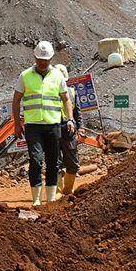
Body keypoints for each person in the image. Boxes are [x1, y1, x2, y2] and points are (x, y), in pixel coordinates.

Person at [12, 41, 75, 206]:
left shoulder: (58, 76)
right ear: (34, 57)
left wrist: (70, 119)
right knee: (36, 160)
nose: (42, 62)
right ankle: (37, 200)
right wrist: (17, 123)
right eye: (39, 58)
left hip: (53, 125)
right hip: (33, 126)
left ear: (51, 58)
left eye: (45, 59)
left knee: (53, 161)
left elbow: (66, 98)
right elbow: (16, 100)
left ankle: (52, 198)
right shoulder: (25, 76)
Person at [54, 64, 81, 196]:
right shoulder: (48, 93)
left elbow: (77, 113)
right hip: (52, 128)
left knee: (73, 164)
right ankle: (57, 193)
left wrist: (78, 128)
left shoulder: (71, 92)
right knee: (55, 162)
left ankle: (67, 190)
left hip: (68, 129)